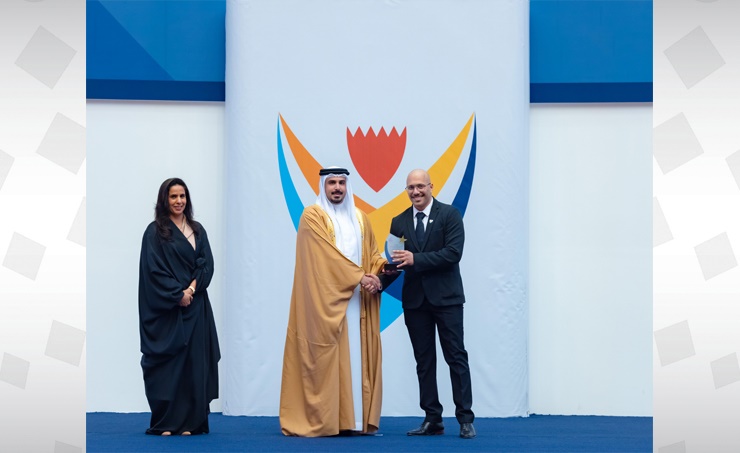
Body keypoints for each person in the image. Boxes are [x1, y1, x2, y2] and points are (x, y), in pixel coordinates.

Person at [279, 167, 387, 437]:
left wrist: (381, 272)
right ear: (323, 186)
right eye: (332, 183)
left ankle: (354, 421)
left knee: (356, 357)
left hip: (358, 303)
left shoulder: (360, 218)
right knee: (327, 359)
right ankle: (330, 420)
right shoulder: (312, 216)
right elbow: (325, 256)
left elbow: (372, 253)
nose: (337, 188)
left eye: (341, 183)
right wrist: (359, 277)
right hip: (325, 302)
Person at [380, 168, 476, 439]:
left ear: (431, 187)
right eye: (411, 188)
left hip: (447, 301)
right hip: (415, 302)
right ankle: (432, 418)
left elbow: (453, 253)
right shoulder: (398, 221)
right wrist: (378, 281)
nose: (416, 192)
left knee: (456, 357)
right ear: (406, 190)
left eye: (420, 186)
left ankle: (465, 419)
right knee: (424, 361)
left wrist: (416, 259)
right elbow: (395, 262)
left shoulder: (450, 215)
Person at [138, 177, 221, 436]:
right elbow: (153, 271)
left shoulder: (198, 230)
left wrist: (191, 290)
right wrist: (177, 295)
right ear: (164, 200)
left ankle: (191, 424)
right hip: (168, 311)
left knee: (194, 366)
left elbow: (206, 264)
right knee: (168, 368)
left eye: (182, 196)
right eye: (173, 196)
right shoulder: (154, 232)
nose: (178, 201)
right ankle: (166, 423)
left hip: (196, 308)